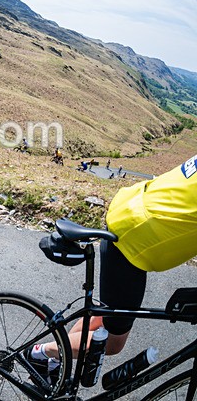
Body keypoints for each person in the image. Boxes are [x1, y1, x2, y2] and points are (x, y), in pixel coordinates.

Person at [27, 154, 197, 377]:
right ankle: (39, 354)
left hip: (130, 211)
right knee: (113, 342)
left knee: (103, 315)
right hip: (135, 238)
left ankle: (55, 362)